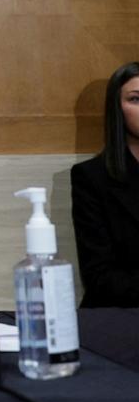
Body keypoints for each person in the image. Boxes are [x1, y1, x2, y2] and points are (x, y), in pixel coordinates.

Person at [72, 61, 139, 308]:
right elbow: (99, 277)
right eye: (136, 99)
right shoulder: (91, 177)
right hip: (119, 318)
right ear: (117, 109)